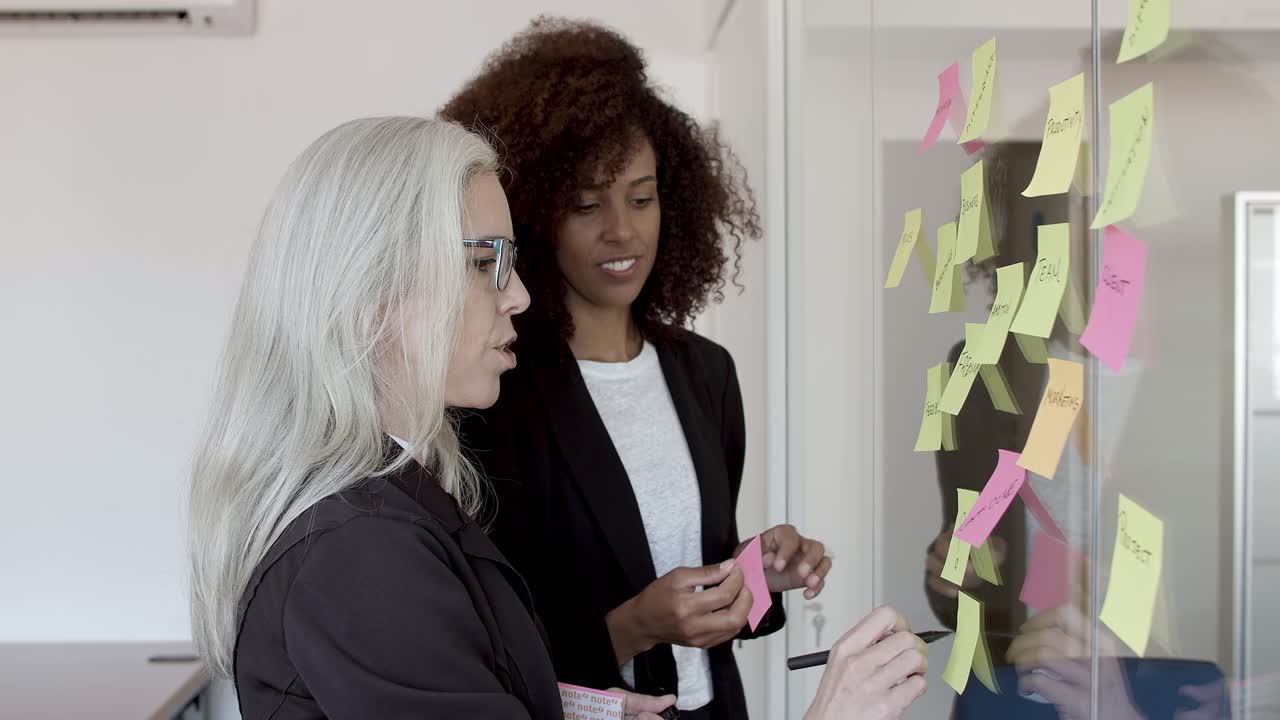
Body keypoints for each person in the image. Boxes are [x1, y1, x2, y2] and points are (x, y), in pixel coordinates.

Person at [187, 116, 927, 719]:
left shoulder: (395, 495)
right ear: (373, 286)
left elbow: (462, 672)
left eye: (642, 198)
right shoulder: (357, 551)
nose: (518, 298)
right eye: (485, 265)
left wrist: (578, 710)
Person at [444, 18, 832, 718]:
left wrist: (757, 575)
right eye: (586, 204)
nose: (622, 230)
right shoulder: (497, 391)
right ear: (535, 218)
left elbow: (701, 574)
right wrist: (635, 627)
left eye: (642, 196)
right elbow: (484, 639)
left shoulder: (704, 373)